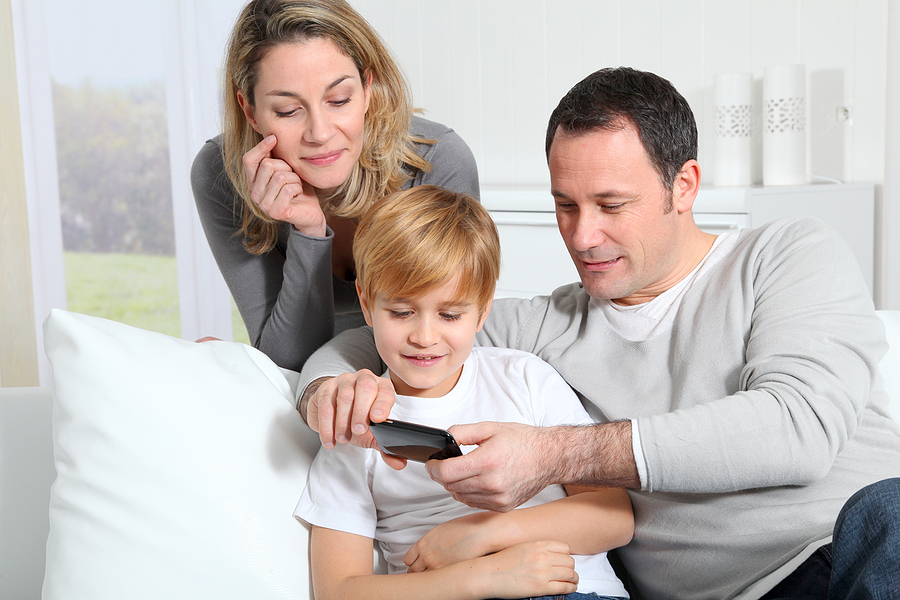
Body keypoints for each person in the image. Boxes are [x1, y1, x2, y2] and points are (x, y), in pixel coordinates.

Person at [297, 67, 900, 599]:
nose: (582, 237)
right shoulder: (541, 326)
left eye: (611, 205)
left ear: (684, 186)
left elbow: (799, 428)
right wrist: (331, 392)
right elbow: (376, 332)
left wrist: (554, 452)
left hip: (855, 546)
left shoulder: (785, 255)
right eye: (566, 205)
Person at [294, 185, 632, 600]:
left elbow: (615, 517)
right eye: (401, 312)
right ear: (366, 303)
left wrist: (481, 534)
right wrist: (481, 578)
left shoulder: (525, 377)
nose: (424, 336)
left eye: (450, 314)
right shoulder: (355, 430)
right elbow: (339, 591)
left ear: (483, 309)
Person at [190, 0, 479, 372]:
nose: (320, 133)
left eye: (339, 100)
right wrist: (308, 233)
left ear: (367, 88)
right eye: (288, 111)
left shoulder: (439, 161)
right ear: (250, 111)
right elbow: (285, 362)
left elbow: (439, 348)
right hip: (310, 393)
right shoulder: (219, 174)